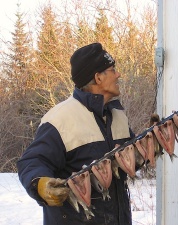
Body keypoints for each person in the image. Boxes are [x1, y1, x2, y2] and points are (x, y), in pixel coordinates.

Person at [17, 42, 135, 225]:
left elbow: (131, 161)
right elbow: (32, 161)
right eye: (113, 70)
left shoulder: (117, 115)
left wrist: (157, 137)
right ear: (98, 77)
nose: (118, 74)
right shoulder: (60, 118)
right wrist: (40, 185)